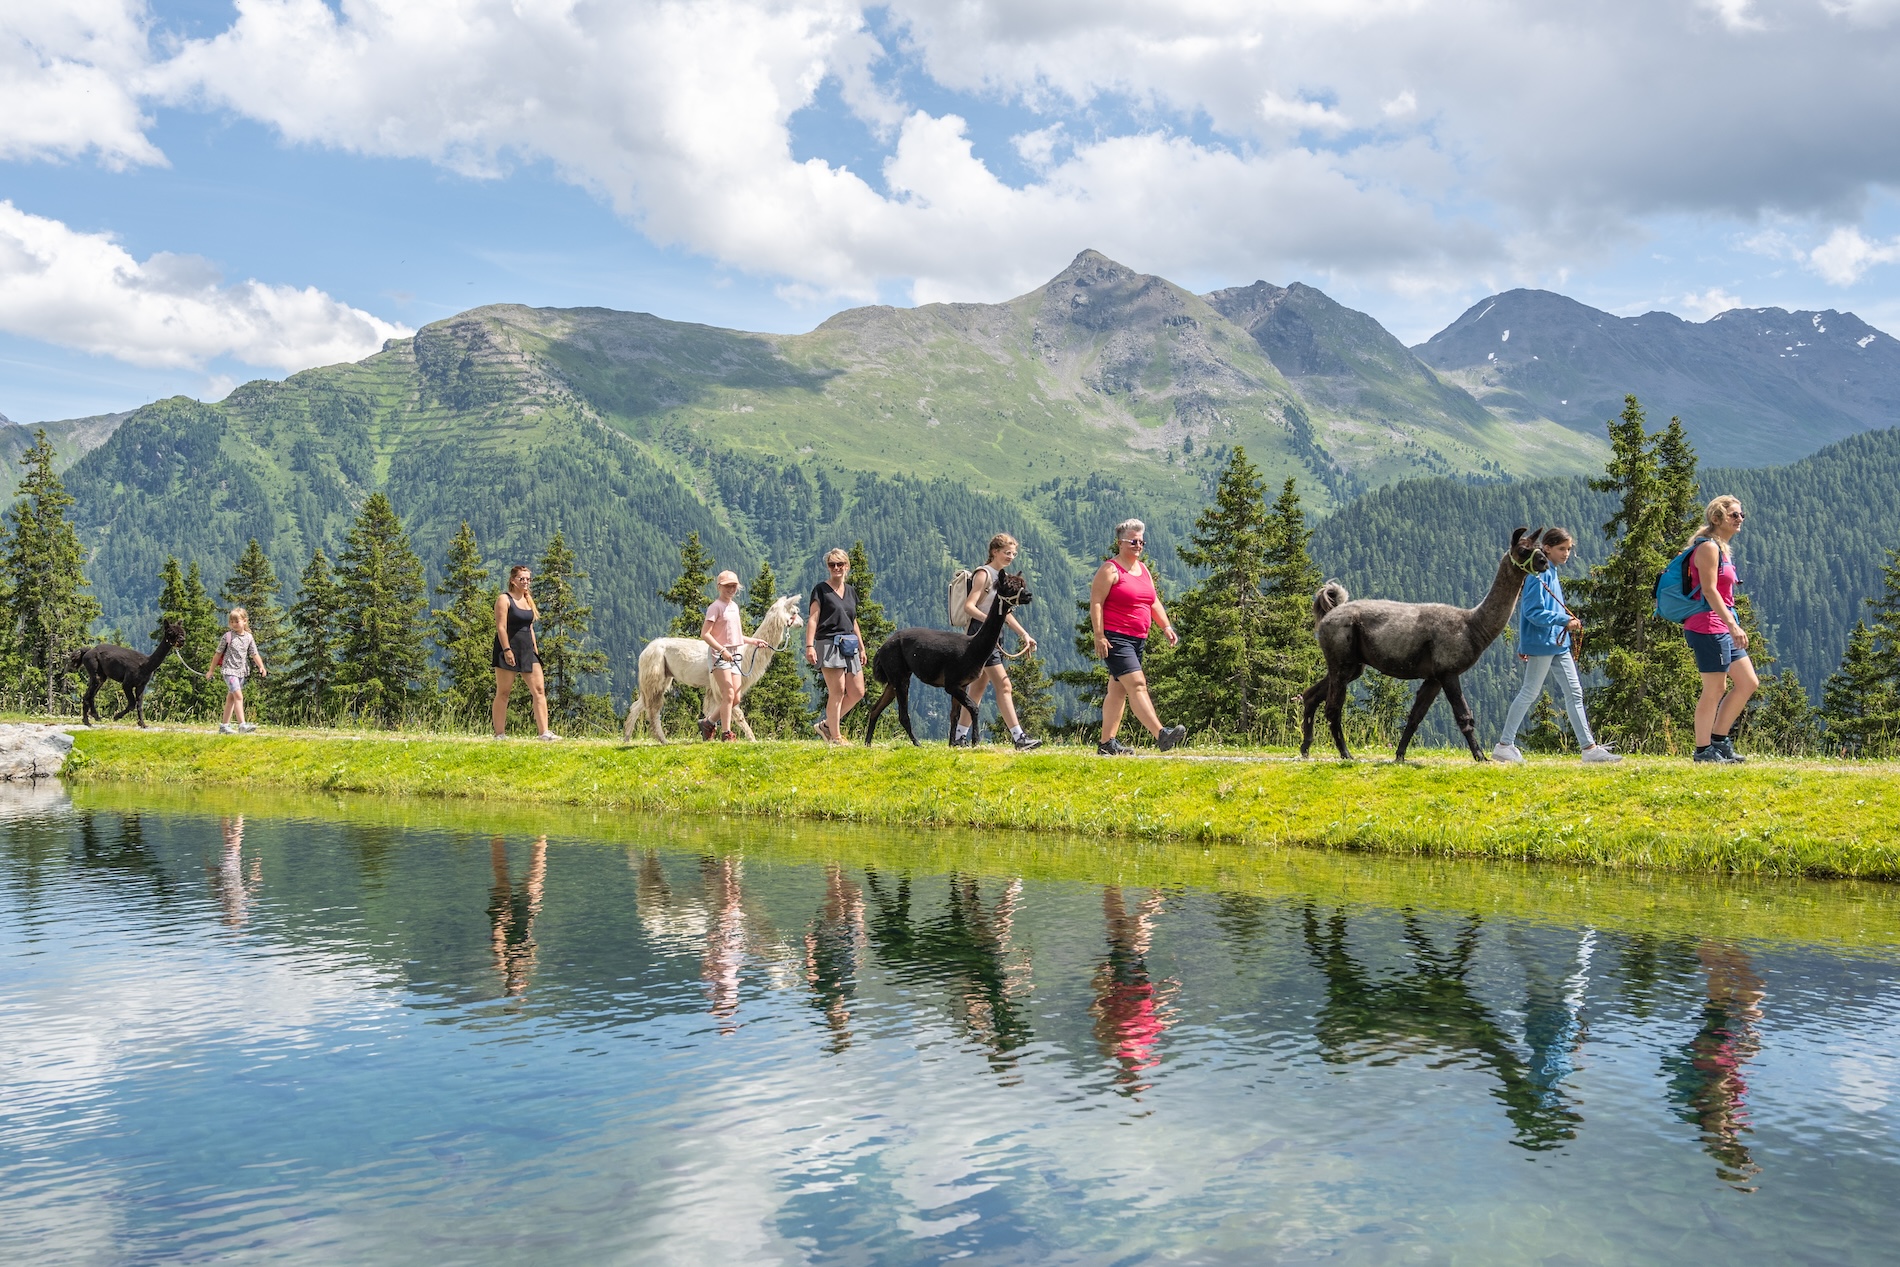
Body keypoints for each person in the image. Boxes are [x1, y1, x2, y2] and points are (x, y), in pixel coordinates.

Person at [1491, 528, 1622, 764]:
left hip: (1556, 643)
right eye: (1562, 549)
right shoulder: (1537, 574)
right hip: (1544, 643)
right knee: (1529, 693)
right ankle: (1504, 745)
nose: (1567, 554)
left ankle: (1589, 749)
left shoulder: (1549, 571)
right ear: (1547, 548)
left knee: (1574, 693)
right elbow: (1531, 612)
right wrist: (1563, 621)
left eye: (1569, 549)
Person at [1090, 518, 1185, 755]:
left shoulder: (1143, 570)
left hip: (1137, 639)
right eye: (1133, 541)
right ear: (1120, 543)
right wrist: (1099, 636)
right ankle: (1161, 734)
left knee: (1118, 690)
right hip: (1116, 638)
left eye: (1142, 541)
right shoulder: (1110, 569)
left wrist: (1166, 626)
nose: (1138, 545)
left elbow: (1152, 601)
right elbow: (1096, 603)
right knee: (1137, 684)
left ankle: (1107, 744)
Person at [1684, 495, 1759, 763]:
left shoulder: (1721, 548)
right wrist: (1732, 625)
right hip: (1708, 627)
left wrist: (1731, 624)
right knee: (1714, 688)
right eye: (1734, 515)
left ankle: (1719, 741)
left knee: (1748, 682)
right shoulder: (1708, 549)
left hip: (1723, 626)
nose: (1740, 519)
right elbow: (1709, 590)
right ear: (1717, 519)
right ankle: (1703, 751)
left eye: (1741, 515)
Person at [954, 533, 1042, 750]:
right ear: (995, 551)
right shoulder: (984, 574)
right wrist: (991, 621)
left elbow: (1006, 612)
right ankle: (1019, 737)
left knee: (977, 688)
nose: (1011, 556)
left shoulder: (1001, 575)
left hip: (992, 635)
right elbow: (969, 606)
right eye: (1007, 552)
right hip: (980, 634)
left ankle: (959, 738)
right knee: (1004, 684)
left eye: (1014, 553)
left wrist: (1024, 634)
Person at [700, 569, 771, 742]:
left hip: (734, 654)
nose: (731, 589)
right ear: (719, 587)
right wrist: (722, 650)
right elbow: (705, 634)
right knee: (729, 694)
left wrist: (753, 641)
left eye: (733, 586)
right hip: (719, 655)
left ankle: (708, 722)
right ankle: (727, 733)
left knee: (736, 697)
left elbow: (736, 635)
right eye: (727, 586)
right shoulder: (715, 608)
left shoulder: (733, 607)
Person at [806, 547, 867, 745]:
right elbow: (813, 619)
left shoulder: (850, 591)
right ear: (828, 567)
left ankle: (826, 725)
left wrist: (861, 646)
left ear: (847, 566)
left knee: (858, 692)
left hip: (849, 644)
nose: (836, 568)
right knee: (838, 690)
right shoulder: (820, 590)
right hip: (828, 643)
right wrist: (809, 645)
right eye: (832, 564)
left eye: (840, 564)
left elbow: (853, 620)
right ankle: (836, 737)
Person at [492, 564, 557, 741]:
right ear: (513, 580)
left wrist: (535, 651)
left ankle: (544, 732)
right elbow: (501, 627)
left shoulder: (528, 600)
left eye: (528, 579)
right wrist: (507, 650)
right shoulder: (504, 599)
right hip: (508, 649)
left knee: (539, 690)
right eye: (522, 578)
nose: (526, 582)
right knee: (503, 692)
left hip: (527, 649)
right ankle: (499, 734)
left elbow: (530, 628)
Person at [208, 607, 267, 734]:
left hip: (241, 672)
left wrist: (261, 666)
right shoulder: (227, 636)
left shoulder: (249, 637)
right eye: (232, 622)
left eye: (237, 621)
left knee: (231, 698)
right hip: (229, 670)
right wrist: (211, 671)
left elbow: (254, 653)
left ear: (244, 621)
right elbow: (217, 654)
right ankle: (242, 725)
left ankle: (224, 726)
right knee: (239, 696)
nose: (234, 624)